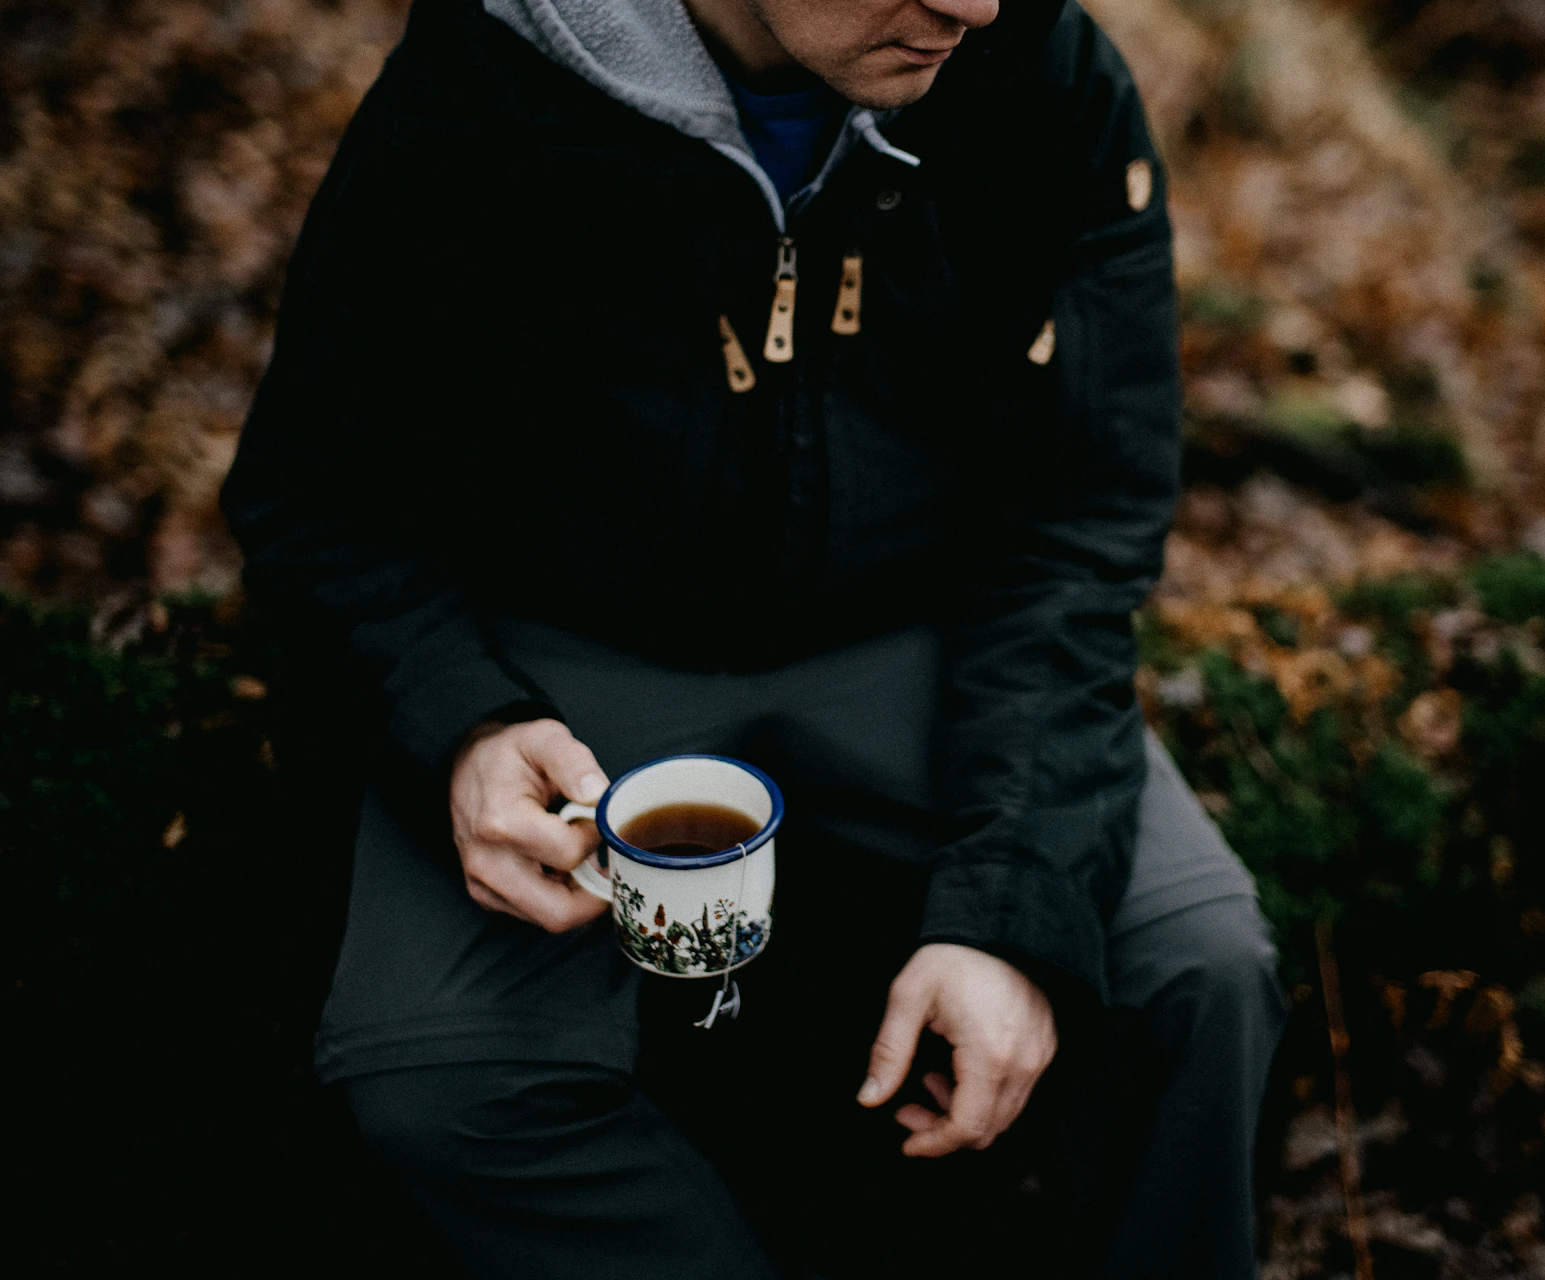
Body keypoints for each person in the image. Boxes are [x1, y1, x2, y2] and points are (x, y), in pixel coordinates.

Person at [220, 0, 1286, 1274]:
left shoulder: (1044, 75)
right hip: (566, 653)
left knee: (1199, 967)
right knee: (440, 1072)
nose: (975, 5)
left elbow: (1079, 524)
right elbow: (316, 495)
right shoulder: (488, 84)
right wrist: (461, 725)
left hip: (931, 640)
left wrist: (1011, 919)